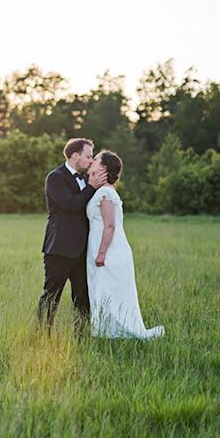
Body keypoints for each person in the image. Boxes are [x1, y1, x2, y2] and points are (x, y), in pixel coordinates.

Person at [86, 151, 165, 340]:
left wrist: (102, 253)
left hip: (110, 251)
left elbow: (110, 225)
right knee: (106, 291)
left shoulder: (105, 192)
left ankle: (114, 333)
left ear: (104, 168)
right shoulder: (102, 190)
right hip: (105, 249)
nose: (92, 161)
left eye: (96, 159)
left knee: (109, 292)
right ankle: (107, 332)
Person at [38, 138, 106, 335]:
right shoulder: (55, 178)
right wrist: (92, 187)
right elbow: (72, 204)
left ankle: (81, 337)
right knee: (51, 296)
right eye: (88, 156)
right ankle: (43, 336)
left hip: (83, 250)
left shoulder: (86, 178)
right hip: (59, 248)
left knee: (83, 298)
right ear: (75, 156)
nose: (91, 161)